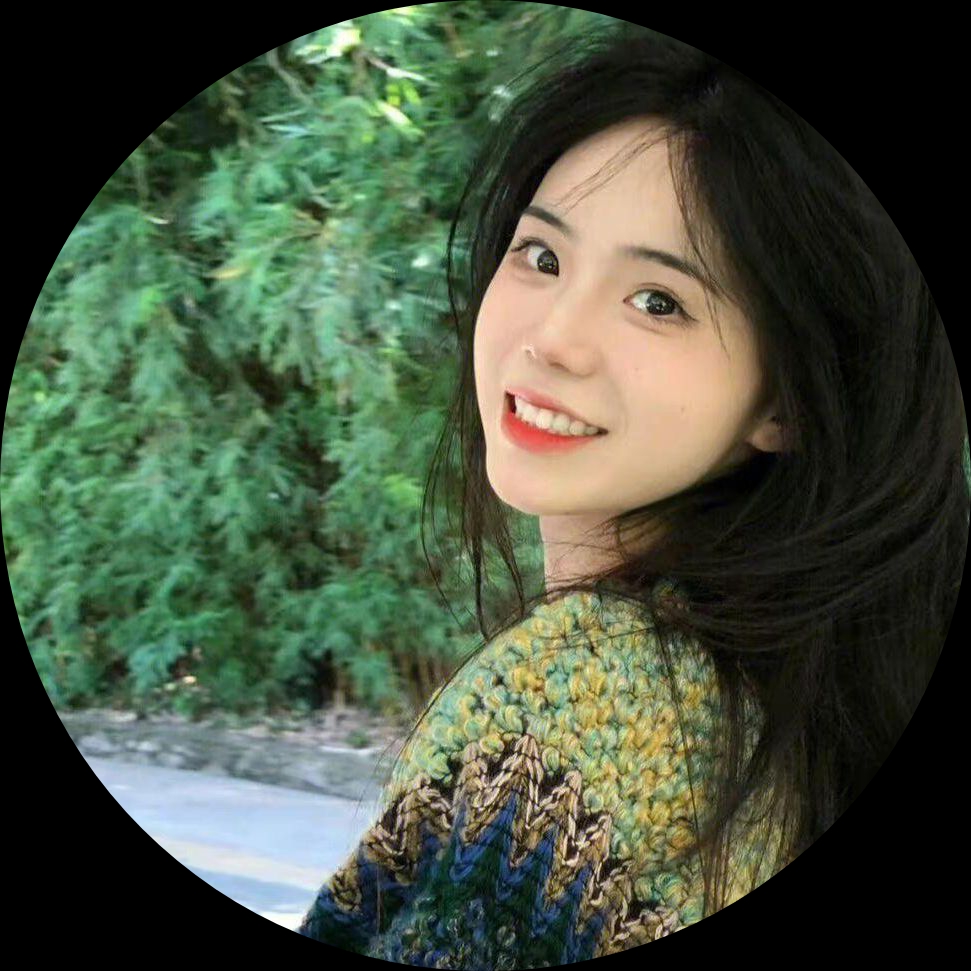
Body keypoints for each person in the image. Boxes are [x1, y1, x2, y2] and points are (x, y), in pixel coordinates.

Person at [296, 24, 966, 963]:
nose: (553, 337)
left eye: (658, 301)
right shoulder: (786, 700)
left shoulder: (579, 703)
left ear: (786, 401)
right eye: (542, 256)